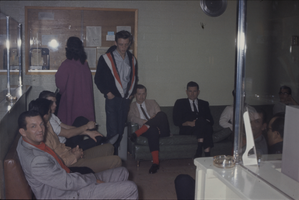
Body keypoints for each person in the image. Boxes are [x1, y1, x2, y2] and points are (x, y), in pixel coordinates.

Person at [16, 110, 138, 199]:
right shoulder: (36, 161)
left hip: (69, 181)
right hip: (66, 195)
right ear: (23, 131)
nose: (40, 129)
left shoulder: (26, 141)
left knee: (123, 172)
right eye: (33, 126)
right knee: (131, 188)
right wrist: (94, 180)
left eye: (41, 124)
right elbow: (68, 183)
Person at [29, 98, 122, 173]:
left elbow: (60, 145)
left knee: (109, 147)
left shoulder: (47, 124)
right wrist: (75, 156)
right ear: (45, 115)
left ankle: (102, 173)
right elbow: (56, 163)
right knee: (116, 160)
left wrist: (72, 150)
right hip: (70, 164)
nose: (52, 110)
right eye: (49, 111)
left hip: (69, 153)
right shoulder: (41, 135)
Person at [94, 30, 138, 154]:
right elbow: (98, 79)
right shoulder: (106, 58)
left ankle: (115, 158)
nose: (123, 47)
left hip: (125, 99)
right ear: (115, 43)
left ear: (129, 43)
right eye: (120, 44)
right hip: (113, 99)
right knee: (113, 132)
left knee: (120, 131)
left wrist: (132, 94)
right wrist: (107, 92)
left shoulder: (132, 59)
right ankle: (110, 158)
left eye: (126, 44)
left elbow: (134, 77)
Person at [39, 90, 105, 151]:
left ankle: (100, 138)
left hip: (67, 141)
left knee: (80, 120)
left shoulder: (51, 115)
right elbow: (68, 134)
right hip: (64, 148)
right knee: (93, 141)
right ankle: (102, 140)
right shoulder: (47, 120)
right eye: (51, 103)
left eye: (55, 102)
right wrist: (86, 127)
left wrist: (87, 132)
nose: (55, 105)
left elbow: (67, 127)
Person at [128, 84, 170, 174]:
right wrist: (144, 122)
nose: (141, 96)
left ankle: (137, 133)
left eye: (143, 94)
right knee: (152, 130)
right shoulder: (131, 106)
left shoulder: (152, 102)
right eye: (139, 94)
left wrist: (150, 123)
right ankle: (155, 163)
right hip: (148, 131)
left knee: (162, 114)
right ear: (135, 94)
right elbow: (131, 118)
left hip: (162, 130)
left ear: (146, 93)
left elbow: (159, 115)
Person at [56, 36, 95, 126]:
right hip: (85, 103)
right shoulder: (84, 64)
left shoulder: (66, 65)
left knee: (70, 129)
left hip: (70, 102)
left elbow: (60, 85)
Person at [173, 81, 214, 158]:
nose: (192, 94)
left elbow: (211, 121)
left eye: (194, 91)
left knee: (204, 124)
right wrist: (188, 123)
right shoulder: (180, 103)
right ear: (186, 92)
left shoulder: (204, 104)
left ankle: (199, 149)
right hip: (187, 129)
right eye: (190, 91)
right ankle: (207, 154)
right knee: (206, 127)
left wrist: (199, 122)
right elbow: (176, 121)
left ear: (198, 92)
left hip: (201, 127)